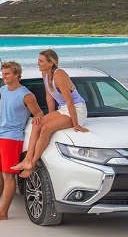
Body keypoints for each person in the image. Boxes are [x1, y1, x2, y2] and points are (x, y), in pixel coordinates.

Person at [0, 61, 44, 221]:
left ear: (16, 75)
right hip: (0, 135)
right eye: (3, 73)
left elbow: (39, 113)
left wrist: (37, 126)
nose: (3, 76)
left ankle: (3, 212)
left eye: (7, 74)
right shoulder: (4, 90)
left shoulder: (27, 95)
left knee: (8, 176)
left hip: (13, 138)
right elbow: (8, 101)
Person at [12, 49, 88, 177]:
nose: (38, 63)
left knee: (46, 128)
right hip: (63, 109)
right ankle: (27, 160)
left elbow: (70, 101)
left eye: (41, 61)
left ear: (51, 63)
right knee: (37, 123)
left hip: (76, 109)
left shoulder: (59, 75)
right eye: (38, 60)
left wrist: (76, 124)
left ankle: (33, 163)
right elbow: (49, 96)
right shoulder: (45, 74)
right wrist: (50, 116)